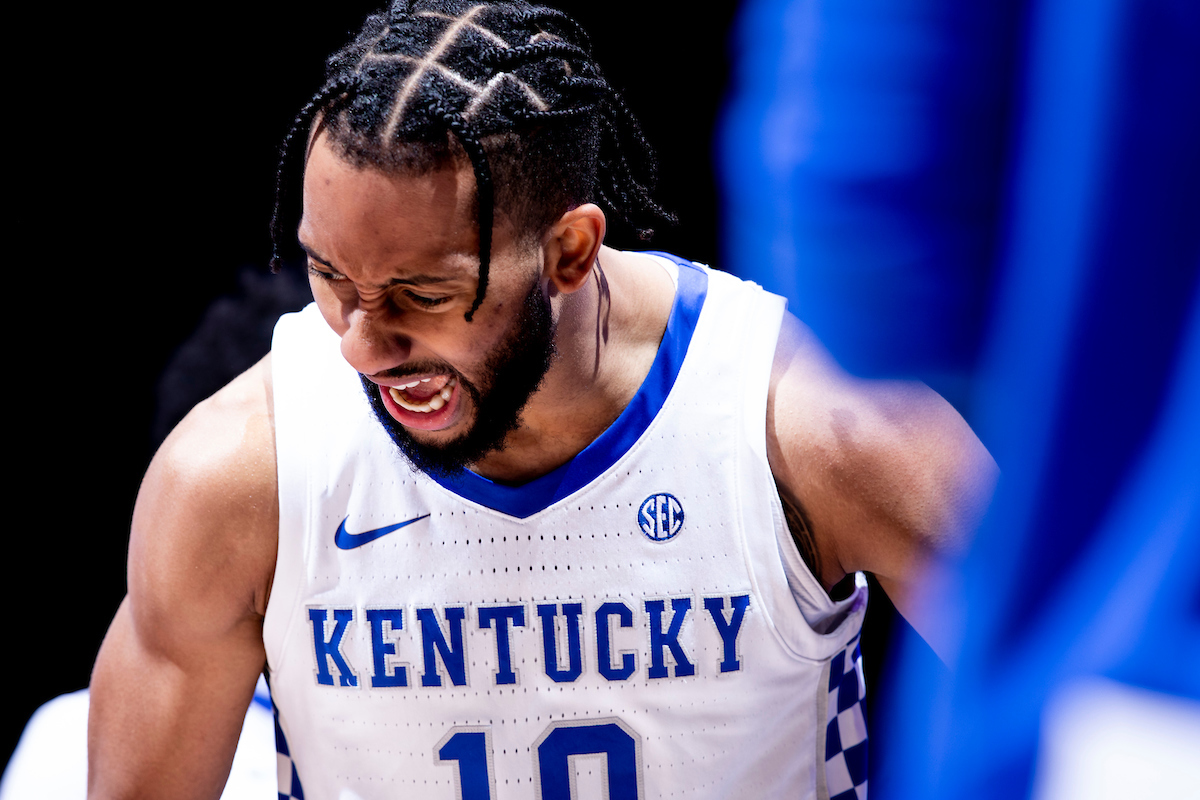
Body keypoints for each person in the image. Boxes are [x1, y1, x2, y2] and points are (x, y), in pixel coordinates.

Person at [87, 1, 997, 798]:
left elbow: (1082, 699)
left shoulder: (809, 428)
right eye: (330, 277)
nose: (363, 342)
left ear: (568, 252)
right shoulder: (240, 475)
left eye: (423, 296)